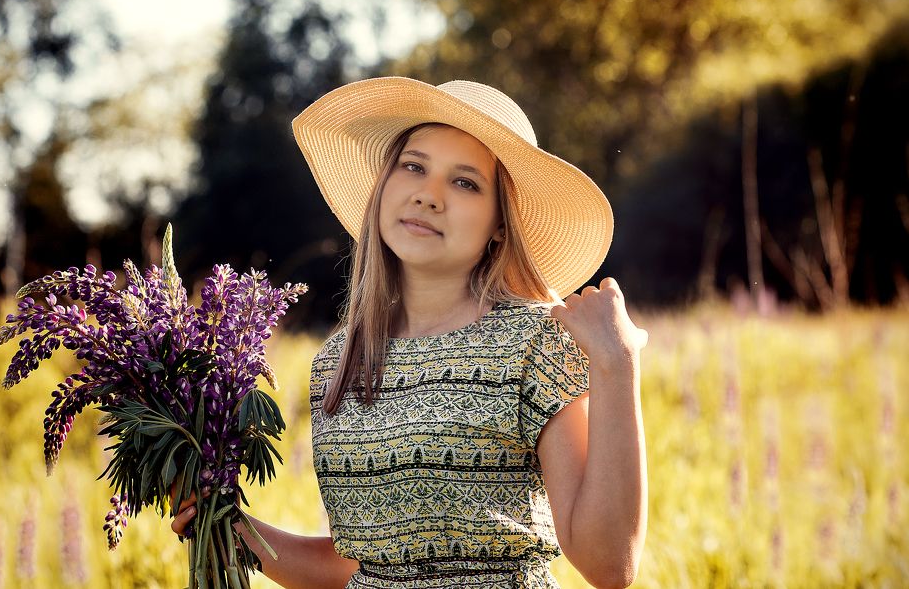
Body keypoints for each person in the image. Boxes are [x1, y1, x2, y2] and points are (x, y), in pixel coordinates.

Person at [172, 77, 649, 589]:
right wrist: (229, 527)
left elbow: (609, 567)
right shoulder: (338, 364)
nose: (428, 195)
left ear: (500, 225)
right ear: (385, 185)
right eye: (414, 167)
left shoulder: (532, 344)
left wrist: (617, 364)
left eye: (465, 182)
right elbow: (358, 570)